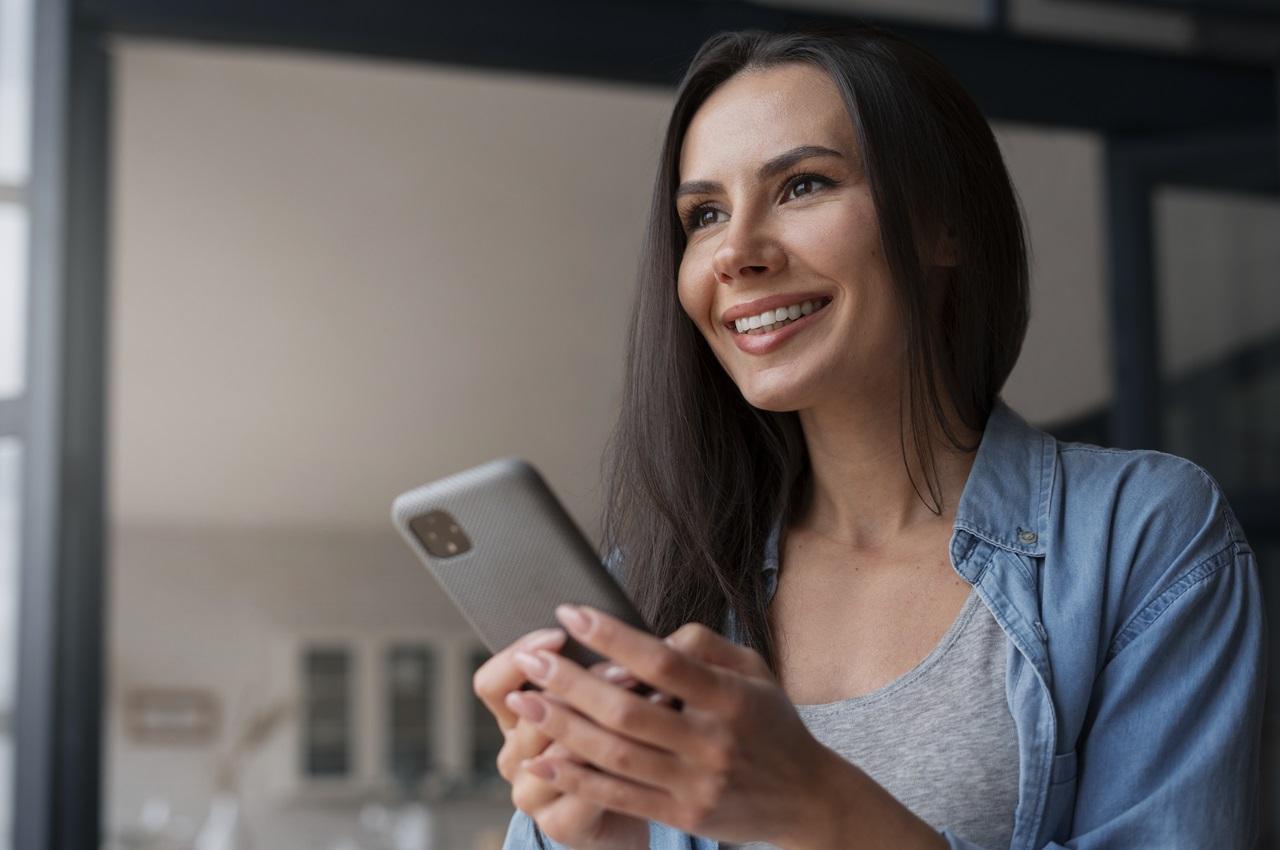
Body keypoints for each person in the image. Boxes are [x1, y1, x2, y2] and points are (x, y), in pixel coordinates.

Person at [472, 25, 1267, 850]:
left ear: (943, 226)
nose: (735, 253)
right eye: (704, 214)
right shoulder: (648, 592)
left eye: (803, 185)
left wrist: (820, 807)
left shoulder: (1138, 534)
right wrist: (603, 842)